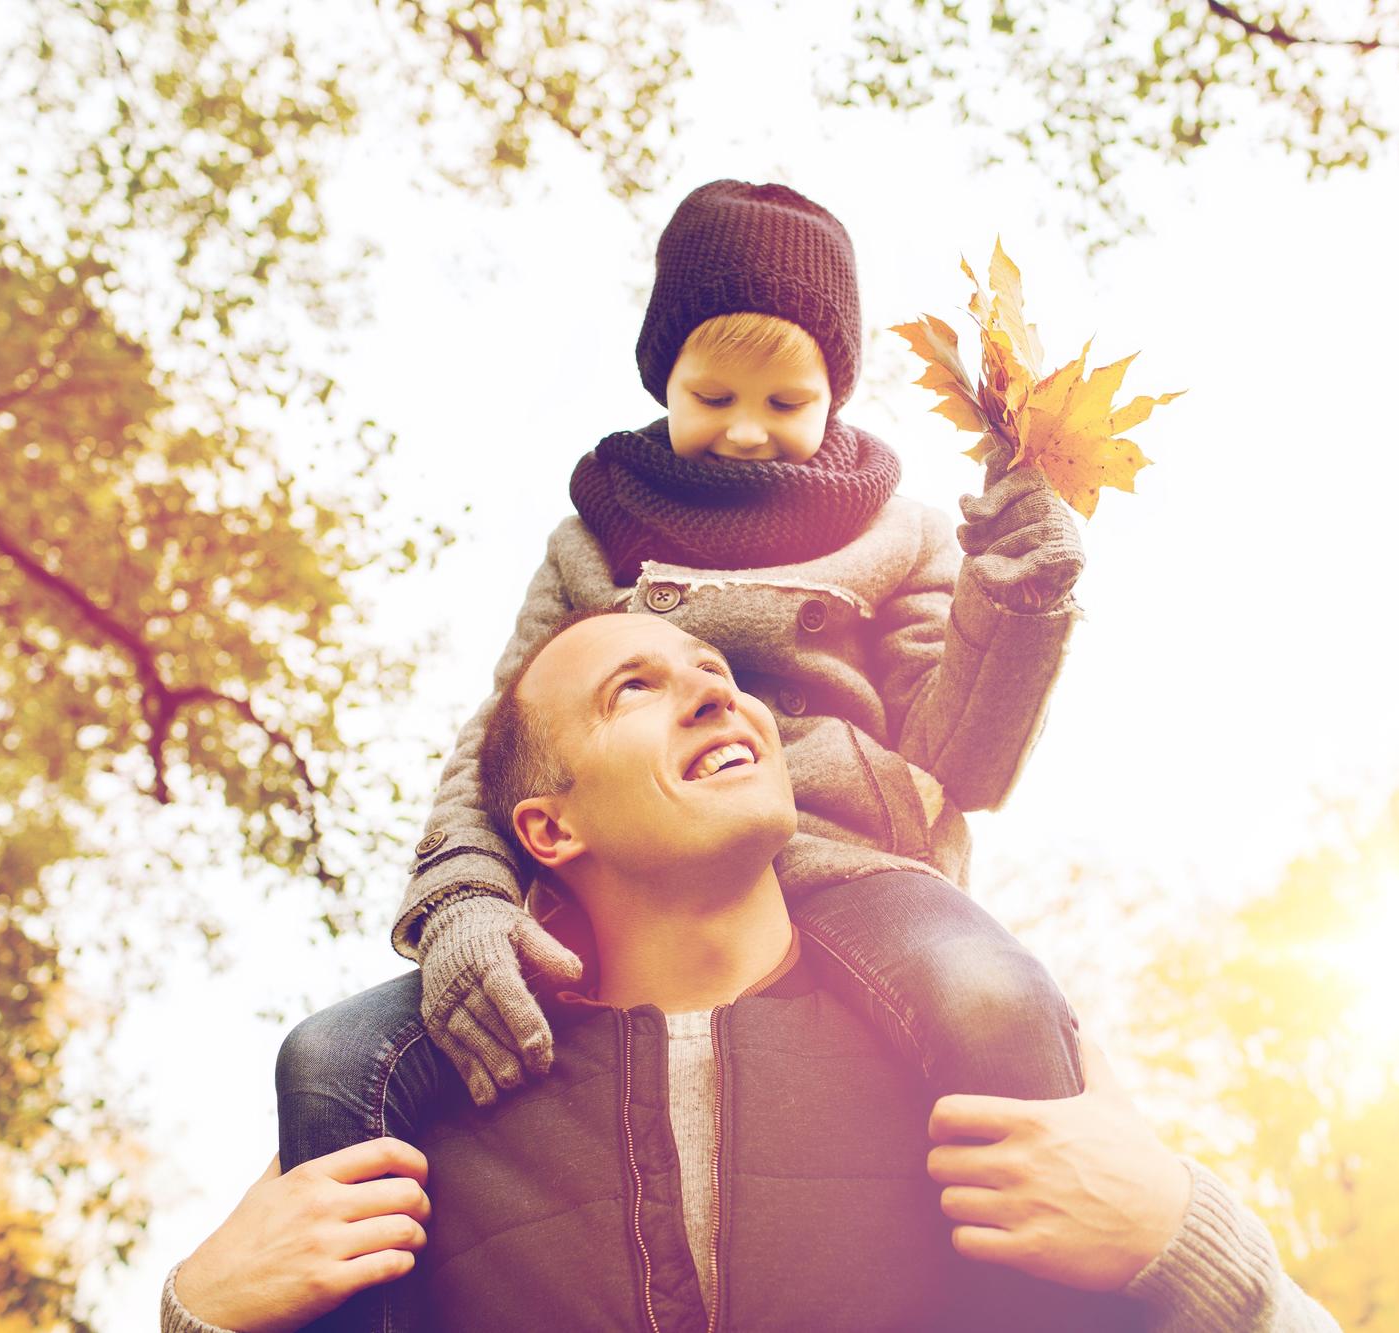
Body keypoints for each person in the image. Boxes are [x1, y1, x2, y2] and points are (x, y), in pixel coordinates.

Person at [163, 613, 1340, 1332]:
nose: (716, 689)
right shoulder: (409, 1134)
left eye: (710, 666)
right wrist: (195, 1319)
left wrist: (1188, 1247)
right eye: (635, 687)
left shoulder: (997, 1065)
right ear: (547, 828)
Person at [277, 176, 1098, 1190]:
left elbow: (958, 760)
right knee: (333, 1063)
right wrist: (465, 903)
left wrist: (1015, 602)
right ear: (663, 379)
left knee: (993, 996)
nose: (746, 431)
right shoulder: (595, 543)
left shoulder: (901, 534)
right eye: (712, 398)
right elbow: (503, 743)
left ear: (833, 396)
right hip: (614, 885)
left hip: (848, 867)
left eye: (784, 403)